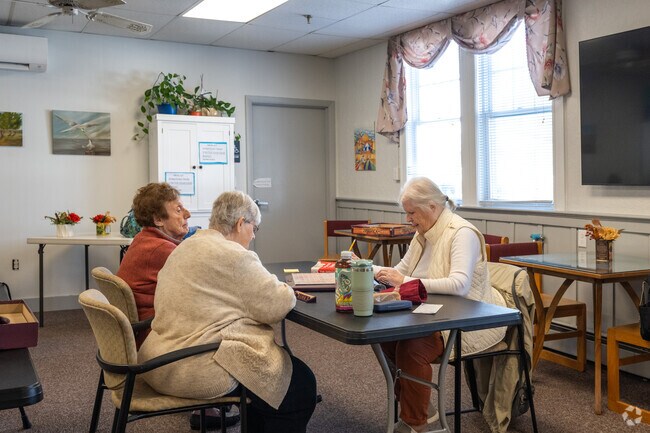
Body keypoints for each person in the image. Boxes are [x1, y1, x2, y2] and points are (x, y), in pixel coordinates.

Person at [138, 191, 318, 433]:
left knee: (271, 385)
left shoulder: (187, 245)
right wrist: (286, 286)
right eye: (254, 228)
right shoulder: (233, 255)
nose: (253, 236)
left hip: (157, 358)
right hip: (192, 365)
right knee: (300, 385)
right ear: (240, 223)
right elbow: (277, 303)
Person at [374, 177, 506, 433]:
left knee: (412, 347)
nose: (408, 219)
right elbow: (401, 271)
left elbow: (460, 285)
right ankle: (424, 412)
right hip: (429, 313)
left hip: (467, 317)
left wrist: (406, 280)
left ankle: (417, 423)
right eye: (407, 213)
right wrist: (370, 269)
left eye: (412, 212)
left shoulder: (462, 233)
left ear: (432, 207)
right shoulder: (422, 233)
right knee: (386, 338)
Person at [117, 182, 238, 429]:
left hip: (145, 333)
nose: (188, 214)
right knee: (239, 322)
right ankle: (222, 400)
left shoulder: (145, 241)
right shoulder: (163, 250)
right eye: (178, 209)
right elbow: (215, 284)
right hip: (159, 343)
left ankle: (215, 402)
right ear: (158, 220)